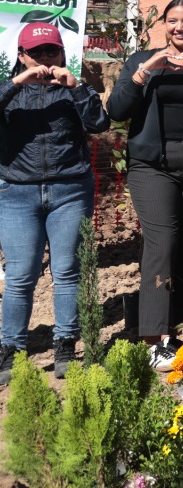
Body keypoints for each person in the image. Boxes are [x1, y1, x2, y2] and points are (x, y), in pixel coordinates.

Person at [107, 0, 183, 371]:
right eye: (173, 20)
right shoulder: (140, 62)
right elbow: (116, 110)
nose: (180, 27)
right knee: (163, 241)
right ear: (163, 24)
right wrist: (146, 68)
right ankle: (153, 339)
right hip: (151, 166)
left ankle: (171, 325)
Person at [0, 24, 110, 384]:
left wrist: (75, 87)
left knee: (67, 272)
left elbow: (99, 123)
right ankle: (11, 351)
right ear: (21, 57)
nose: (45, 60)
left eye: (52, 52)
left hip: (69, 191)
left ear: (63, 54)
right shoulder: (11, 91)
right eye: (37, 53)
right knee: (19, 276)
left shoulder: (74, 89)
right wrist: (18, 82)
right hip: (17, 193)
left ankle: (65, 345)